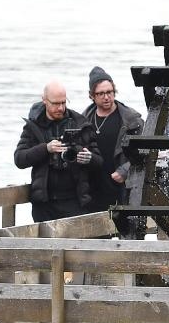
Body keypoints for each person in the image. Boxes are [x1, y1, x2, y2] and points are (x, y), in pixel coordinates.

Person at [13, 80, 96, 222]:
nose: (61, 108)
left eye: (63, 102)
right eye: (56, 104)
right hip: (44, 203)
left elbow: (98, 161)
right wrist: (45, 148)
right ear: (44, 100)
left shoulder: (80, 123)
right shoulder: (33, 127)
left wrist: (89, 158)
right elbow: (19, 159)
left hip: (74, 201)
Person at [82, 66, 145, 223]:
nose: (106, 97)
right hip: (94, 189)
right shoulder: (83, 120)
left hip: (122, 187)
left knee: (124, 229)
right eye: (101, 93)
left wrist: (124, 171)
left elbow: (145, 151)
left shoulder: (132, 120)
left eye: (109, 92)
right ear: (92, 95)